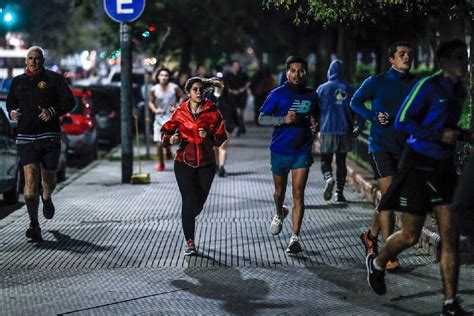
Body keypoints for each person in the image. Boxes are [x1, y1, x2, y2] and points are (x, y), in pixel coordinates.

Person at [365, 39, 472, 315]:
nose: (466, 63)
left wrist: (464, 134)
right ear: (445, 62)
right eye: (460, 58)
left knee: (450, 234)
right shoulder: (428, 86)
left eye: (467, 58)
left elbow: (450, 126)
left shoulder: (460, 90)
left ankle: (450, 303)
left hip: (444, 167)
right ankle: (377, 263)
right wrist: (437, 135)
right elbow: (401, 120)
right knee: (411, 235)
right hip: (417, 164)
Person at [350, 41, 418, 271]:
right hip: (379, 146)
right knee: (388, 196)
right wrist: (372, 116)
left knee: (392, 197)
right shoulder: (376, 82)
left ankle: (370, 236)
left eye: (409, 54)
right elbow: (354, 102)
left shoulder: (416, 85)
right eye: (402, 54)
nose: (407, 57)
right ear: (391, 59)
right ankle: (389, 255)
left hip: (405, 148)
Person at [6, 46, 74, 242]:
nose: (34, 62)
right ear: (25, 61)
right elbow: (10, 103)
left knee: (49, 179)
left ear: (42, 61)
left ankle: (46, 196)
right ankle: (34, 224)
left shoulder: (54, 79)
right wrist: (12, 113)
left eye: (37, 59)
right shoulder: (18, 82)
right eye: (30, 58)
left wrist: (52, 111)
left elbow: (69, 102)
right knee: (30, 179)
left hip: (49, 137)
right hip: (26, 137)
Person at [258, 56, 320, 254]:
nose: (297, 74)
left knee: (298, 194)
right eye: (293, 70)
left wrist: (315, 125)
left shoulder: (312, 96)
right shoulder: (277, 94)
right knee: (279, 193)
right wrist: (283, 119)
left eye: (301, 70)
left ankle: (294, 239)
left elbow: (317, 116)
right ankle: (279, 212)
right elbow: (261, 118)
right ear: (287, 73)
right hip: (280, 150)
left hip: (302, 150)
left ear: (305, 73)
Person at [161, 77, 227, 256]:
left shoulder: (213, 111)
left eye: (201, 90)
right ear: (188, 93)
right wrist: (170, 139)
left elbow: (222, 137)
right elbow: (165, 132)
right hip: (184, 162)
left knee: (198, 205)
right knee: (188, 201)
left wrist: (208, 136)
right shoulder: (180, 112)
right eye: (195, 89)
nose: (198, 92)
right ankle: (190, 241)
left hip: (206, 164)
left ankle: (190, 214)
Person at [316, 59, 361, 203]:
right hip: (344, 131)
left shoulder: (322, 89)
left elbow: (315, 111)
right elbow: (358, 111)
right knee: (341, 161)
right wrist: (358, 126)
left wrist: (314, 129)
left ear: (329, 71)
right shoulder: (351, 89)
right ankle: (339, 193)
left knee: (325, 160)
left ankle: (329, 178)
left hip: (327, 130)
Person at [149, 67, 184, 171]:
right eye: (161, 75)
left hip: (172, 118)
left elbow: (182, 96)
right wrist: (155, 110)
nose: (164, 77)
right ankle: (160, 163)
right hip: (159, 118)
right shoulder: (154, 89)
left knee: (174, 140)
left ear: (169, 77)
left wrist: (178, 106)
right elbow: (150, 102)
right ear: (158, 77)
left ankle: (169, 149)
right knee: (159, 143)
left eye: (166, 75)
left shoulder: (174, 87)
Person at [206, 72, 239, 177]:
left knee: (222, 147)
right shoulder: (207, 97)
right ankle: (216, 165)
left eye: (220, 81)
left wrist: (236, 124)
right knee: (214, 148)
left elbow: (234, 112)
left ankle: (221, 167)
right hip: (211, 128)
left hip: (226, 126)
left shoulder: (229, 97)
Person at [224, 60, 250, 136]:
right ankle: (241, 127)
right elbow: (225, 85)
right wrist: (231, 91)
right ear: (232, 66)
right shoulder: (228, 75)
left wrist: (243, 89)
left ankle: (241, 127)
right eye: (234, 66)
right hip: (232, 95)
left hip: (242, 95)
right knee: (237, 112)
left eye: (237, 66)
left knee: (240, 112)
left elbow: (248, 82)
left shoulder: (242, 74)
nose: (236, 68)